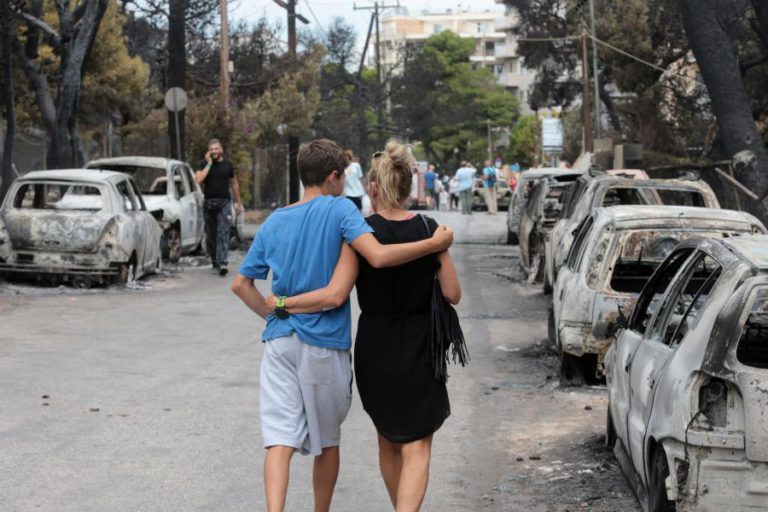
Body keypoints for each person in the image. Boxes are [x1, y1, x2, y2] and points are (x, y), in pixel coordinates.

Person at [230, 139, 454, 512]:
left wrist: (276, 312)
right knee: (328, 443)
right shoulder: (341, 211)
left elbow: (241, 284)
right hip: (324, 343)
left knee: (280, 441)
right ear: (335, 176)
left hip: (281, 342)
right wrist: (434, 244)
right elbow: (365, 269)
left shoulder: (275, 220)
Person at [195, 138, 243, 276]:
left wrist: (239, 202)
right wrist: (209, 164)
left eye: (216, 149)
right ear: (208, 152)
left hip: (224, 203)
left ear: (221, 150)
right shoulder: (203, 164)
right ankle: (215, 262)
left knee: (223, 232)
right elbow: (198, 179)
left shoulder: (228, 165)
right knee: (211, 235)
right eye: (211, 149)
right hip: (209, 204)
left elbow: (234, 183)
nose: (214, 151)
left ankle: (222, 263)